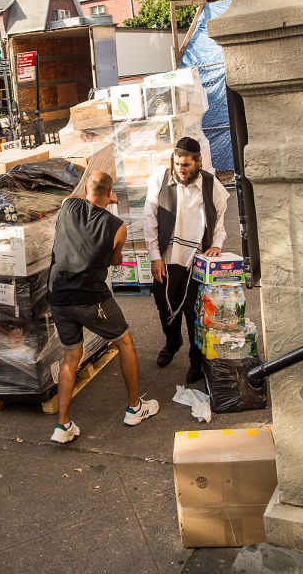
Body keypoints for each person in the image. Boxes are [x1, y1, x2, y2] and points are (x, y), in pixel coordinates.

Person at [47, 171, 159, 444]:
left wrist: (96, 194)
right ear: (111, 194)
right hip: (91, 298)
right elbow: (114, 260)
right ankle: (134, 408)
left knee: (71, 358)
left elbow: (75, 196)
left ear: (87, 189)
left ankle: (62, 426)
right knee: (125, 342)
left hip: (58, 295)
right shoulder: (116, 226)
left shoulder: (68, 206)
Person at [143, 138, 229, 384]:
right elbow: (149, 220)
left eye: (187, 165)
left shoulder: (212, 185)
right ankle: (172, 342)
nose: (181, 169)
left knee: (194, 313)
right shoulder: (160, 180)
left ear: (198, 162)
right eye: (178, 163)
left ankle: (195, 360)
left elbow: (220, 220)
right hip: (167, 258)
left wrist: (216, 244)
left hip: (196, 261)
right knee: (164, 304)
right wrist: (155, 257)